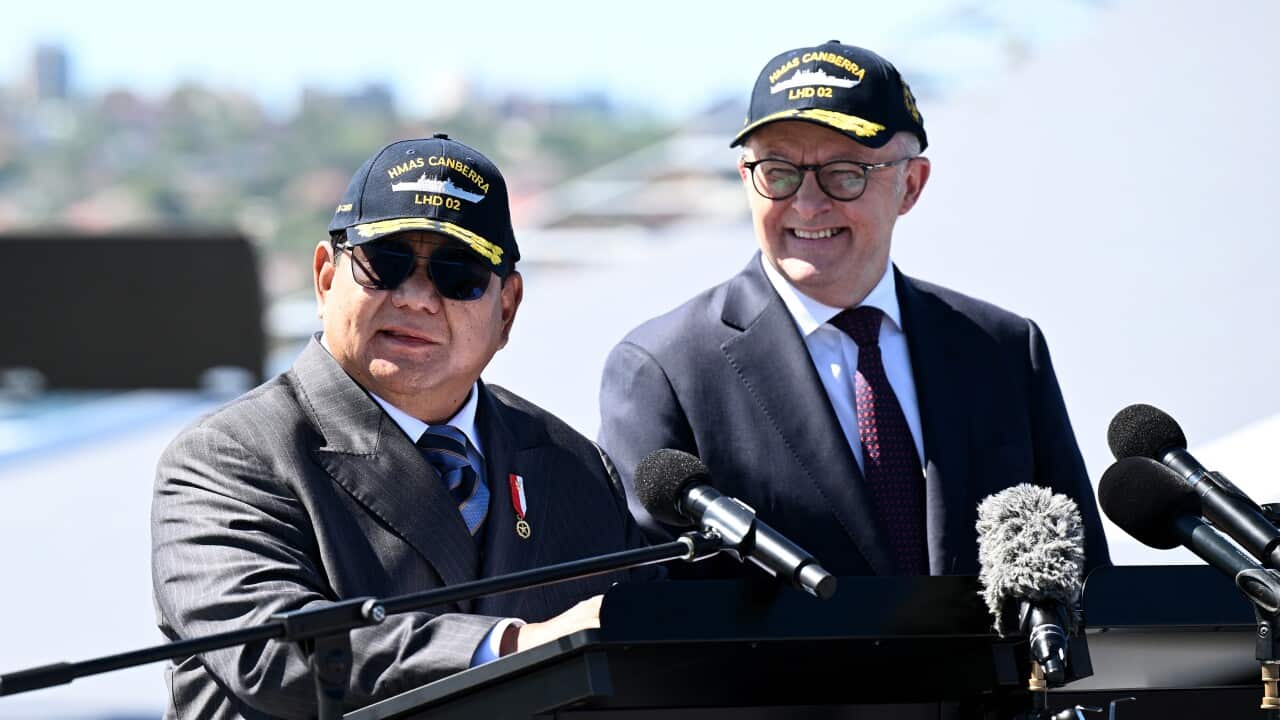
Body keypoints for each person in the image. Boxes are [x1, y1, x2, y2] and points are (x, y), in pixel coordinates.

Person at [152, 134, 654, 718]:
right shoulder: (226, 457)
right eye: (385, 264)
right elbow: (274, 655)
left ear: (508, 308)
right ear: (324, 277)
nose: (416, 298)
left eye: (458, 274)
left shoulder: (573, 465)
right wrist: (516, 644)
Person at [599, 41, 1110, 579]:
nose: (807, 203)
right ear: (746, 177)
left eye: (844, 173)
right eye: (778, 172)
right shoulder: (664, 369)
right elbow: (647, 606)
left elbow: (1085, 584)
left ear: (910, 185)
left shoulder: (1002, 349)